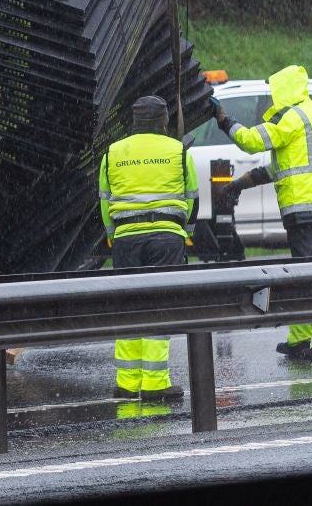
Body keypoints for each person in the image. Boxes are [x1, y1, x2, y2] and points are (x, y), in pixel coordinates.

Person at [218, 65, 312, 361]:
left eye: (274, 89)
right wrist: (240, 184)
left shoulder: (292, 117)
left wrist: (224, 120)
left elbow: (250, 141)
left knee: (310, 276)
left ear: (285, 88)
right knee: (303, 273)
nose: (272, 95)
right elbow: (276, 168)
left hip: (303, 205)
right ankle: (299, 339)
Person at [99, 95, 197, 401]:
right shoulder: (178, 151)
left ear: (134, 122)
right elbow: (191, 196)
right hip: (166, 235)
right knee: (159, 306)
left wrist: (113, 234)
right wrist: (184, 232)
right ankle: (155, 384)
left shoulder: (113, 152)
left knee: (129, 306)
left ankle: (127, 383)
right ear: (163, 121)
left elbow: (104, 200)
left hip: (127, 237)